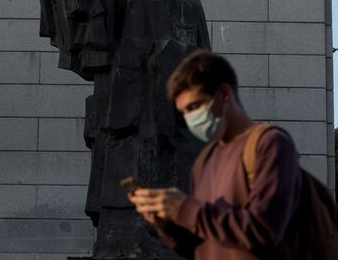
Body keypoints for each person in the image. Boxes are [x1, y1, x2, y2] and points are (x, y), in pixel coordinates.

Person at [39, 0, 210, 258]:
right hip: (120, 119)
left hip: (171, 122)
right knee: (118, 190)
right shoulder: (114, 8)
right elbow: (88, 58)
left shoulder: (188, 7)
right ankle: (119, 243)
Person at [129, 50, 302, 259]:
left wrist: (185, 208)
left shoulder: (270, 143)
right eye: (184, 113)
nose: (192, 118)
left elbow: (264, 232)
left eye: (195, 106)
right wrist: (168, 224)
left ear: (224, 94)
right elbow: (198, 247)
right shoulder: (204, 160)